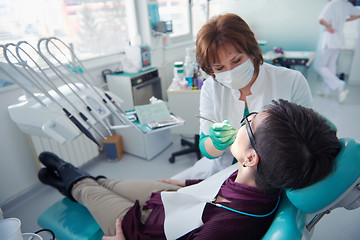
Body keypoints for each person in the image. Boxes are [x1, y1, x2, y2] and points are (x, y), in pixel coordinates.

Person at [38, 100, 341, 240]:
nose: (242, 121)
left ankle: (68, 179)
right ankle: (80, 181)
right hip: (185, 199)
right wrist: (187, 182)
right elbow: (223, 184)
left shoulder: (223, 231)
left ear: (250, 158)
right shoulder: (262, 178)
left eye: (248, 122)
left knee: (90, 191)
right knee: (112, 183)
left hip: (147, 229)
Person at [172, 13, 313, 180]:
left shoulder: (291, 81)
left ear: (251, 51)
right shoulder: (211, 87)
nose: (230, 72)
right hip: (219, 172)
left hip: (273, 175)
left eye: (237, 60)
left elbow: (307, 141)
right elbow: (205, 148)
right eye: (219, 68)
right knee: (164, 190)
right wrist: (216, 143)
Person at [317, 0, 360, 103]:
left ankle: (339, 84)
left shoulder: (332, 4)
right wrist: (346, 20)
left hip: (330, 38)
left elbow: (321, 20)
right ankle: (327, 92)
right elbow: (358, 14)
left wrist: (329, 26)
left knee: (320, 66)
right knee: (331, 66)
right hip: (339, 39)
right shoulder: (347, 5)